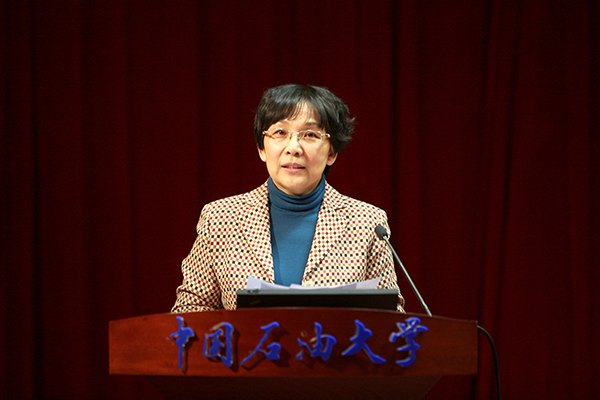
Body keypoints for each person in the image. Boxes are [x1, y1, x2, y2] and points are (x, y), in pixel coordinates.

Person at [171, 84, 405, 313]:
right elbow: (190, 310)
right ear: (261, 148)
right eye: (280, 133)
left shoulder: (367, 223)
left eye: (310, 134)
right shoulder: (220, 219)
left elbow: (392, 318)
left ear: (332, 152)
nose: (294, 148)